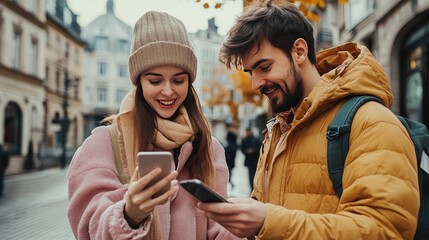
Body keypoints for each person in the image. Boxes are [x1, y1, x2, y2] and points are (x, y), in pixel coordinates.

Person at [197, 1, 420, 239]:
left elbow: (385, 230)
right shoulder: (276, 132)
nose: (256, 84)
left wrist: (268, 221)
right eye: (251, 73)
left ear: (299, 51)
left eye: (264, 67)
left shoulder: (371, 122)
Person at [67, 11, 242, 240]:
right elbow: (87, 227)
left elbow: (217, 228)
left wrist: (243, 227)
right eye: (155, 80)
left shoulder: (208, 148)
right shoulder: (103, 144)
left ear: (190, 81)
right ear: (138, 80)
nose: (168, 91)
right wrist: (129, 214)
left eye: (178, 80)